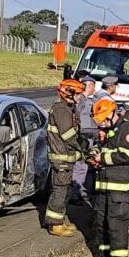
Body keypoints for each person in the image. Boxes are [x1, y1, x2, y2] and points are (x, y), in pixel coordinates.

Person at [88, 99, 129, 257]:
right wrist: (96, 152)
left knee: (116, 223)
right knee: (101, 221)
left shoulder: (127, 129)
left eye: (104, 120)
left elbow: (127, 155)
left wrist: (102, 158)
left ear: (112, 113)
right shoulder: (112, 130)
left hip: (120, 186)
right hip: (106, 184)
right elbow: (107, 149)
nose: (102, 124)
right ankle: (104, 255)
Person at [45, 79, 86, 237]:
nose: (80, 98)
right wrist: (82, 148)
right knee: (60, 191)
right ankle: (55, 225)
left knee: (65, 190)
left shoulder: (68, 108)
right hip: (61, 159)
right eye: (78, 94)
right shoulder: (61, 110)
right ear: (70, 93)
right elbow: (68, 135)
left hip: (66, 158)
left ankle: (59, 221)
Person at [70, 76, 97, 206]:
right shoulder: (80, 100)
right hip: (82, 136)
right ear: (89, 86)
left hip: (89, 136)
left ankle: (80, 191)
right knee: (79, 166)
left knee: (84, 166)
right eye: (93, 86)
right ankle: (75, 194)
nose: (94, 89)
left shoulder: (88, 100)